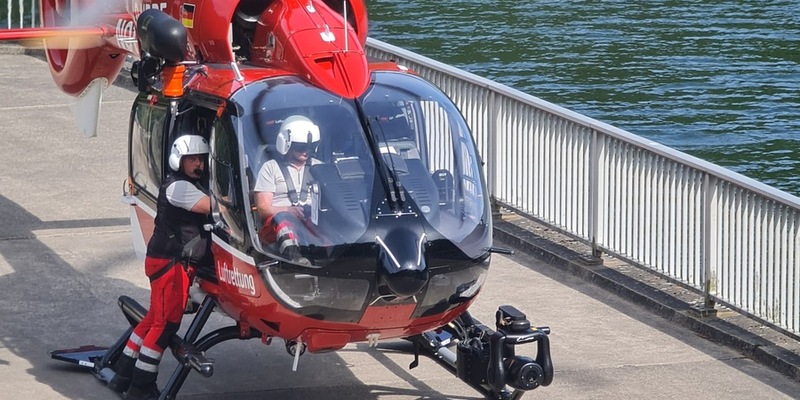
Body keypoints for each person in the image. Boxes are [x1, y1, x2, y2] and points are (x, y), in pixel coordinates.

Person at [109, 135, 212, 400]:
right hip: (171, 264)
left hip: (164, 261)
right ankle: (141, 387)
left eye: (201, 159)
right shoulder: (180, 188)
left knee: (153, 319)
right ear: (180, 160)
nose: (198, 164)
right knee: (165, 326)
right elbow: (212, 207)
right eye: (192, 160)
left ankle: (123, 373)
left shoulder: (185, 184)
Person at [255, 115, 322, 263]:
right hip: (278, 223)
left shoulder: (320, 167)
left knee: (326, 223)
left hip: (312, 218)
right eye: (300, 147)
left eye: (309, 146)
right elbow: (263, 208)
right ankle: (295, 259)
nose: (306, 151)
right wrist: (288, 209)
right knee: (284, 219)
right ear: (286, 144)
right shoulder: (270, 167)